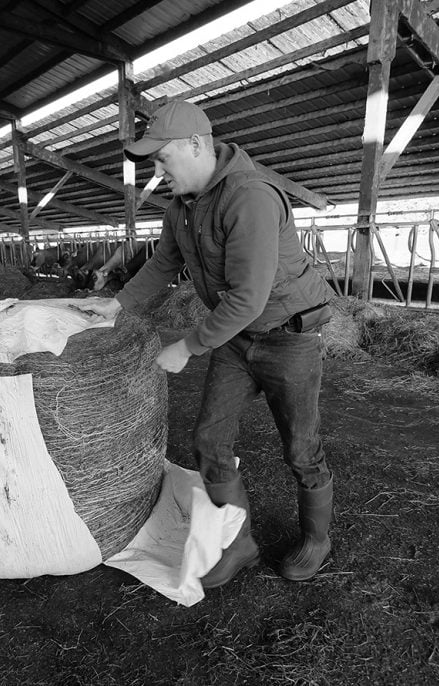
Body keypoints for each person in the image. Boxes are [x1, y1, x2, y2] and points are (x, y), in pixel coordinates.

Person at [77, 100, 336, 588]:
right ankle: (238, 543)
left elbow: (249, 298)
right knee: (208, 440)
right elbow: (162, 265)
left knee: (302, 449)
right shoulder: (181, 208)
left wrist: (187, 347)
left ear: (197, 145)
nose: (158, 171)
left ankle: (316, 539)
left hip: (290, 337)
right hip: (237, 339)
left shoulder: (250, 196)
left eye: (162, 158)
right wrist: (118, 306)